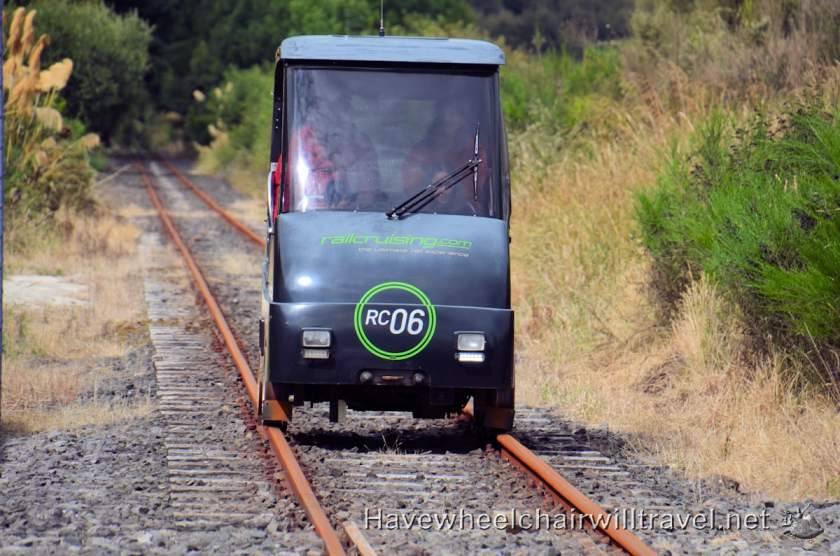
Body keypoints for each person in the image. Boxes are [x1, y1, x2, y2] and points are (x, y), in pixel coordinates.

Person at [273, 73, 381, 215]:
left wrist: (354, 201)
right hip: (311, 218)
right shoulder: (302, 140)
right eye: (339, 102)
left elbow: (369, 191)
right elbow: (287, 192)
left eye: (345, 100)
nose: (345, 105)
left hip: (356, 219)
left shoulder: (359, 141)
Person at [401, 99, 491, 216]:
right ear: (437, 117)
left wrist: (453, 190)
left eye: (455, 114)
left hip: (466, 219)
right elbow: (409, 191)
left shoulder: (475, 153)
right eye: (444, 113)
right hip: (421, 215)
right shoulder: (421, 151)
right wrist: (429, 183)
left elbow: (481, 196)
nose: (448, 119)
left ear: (463, 120)